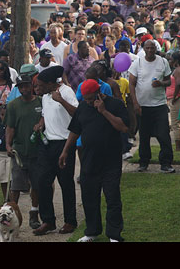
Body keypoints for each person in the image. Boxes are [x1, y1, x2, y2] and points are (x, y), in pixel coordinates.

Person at [59, 79, 129, 242]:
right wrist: (65, 151)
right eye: (86, 99)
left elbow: (124, 127)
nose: (89, 102)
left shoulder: (115, 105)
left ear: (99, 93)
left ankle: (114, 234)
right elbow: (75, 130)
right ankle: (92, 231)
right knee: (89, 197)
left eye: (91, 98)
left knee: (112, 197)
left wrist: (104, 111)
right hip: (89, 160)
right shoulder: (83, 107)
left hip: (110, 160)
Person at [32, 65, 79, 236]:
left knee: (65, 183)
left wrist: (61, 100)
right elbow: (46, 114)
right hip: (47, 143)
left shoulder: (66, 92)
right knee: (42, 181)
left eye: (41, 85)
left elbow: (76, 113)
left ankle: (70, 221)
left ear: (52, 83)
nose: (38, 88)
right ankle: (48, 220)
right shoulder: (44, 96)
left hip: (64, 143)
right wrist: (41, 124)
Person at [128, 39, 175, 173]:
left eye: (152, 48)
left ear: (156, 49)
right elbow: (131, 83)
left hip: (159, 105)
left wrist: (161, 83)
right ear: (144, 49)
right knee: (144, 135)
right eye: (147, 48)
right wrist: (135, 103)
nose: (149, 51)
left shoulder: (163, 62)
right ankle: (144, 162)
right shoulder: (138, 63)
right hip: (143, 105)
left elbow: (168, 81)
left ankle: (166, 163)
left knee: (163, 134)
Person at [4, 72, 43, 230]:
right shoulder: (13, 105)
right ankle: (13, 213)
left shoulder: (41, 102)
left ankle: (34, 214)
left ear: (32, 86)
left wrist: (41, 121)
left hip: (38, 150)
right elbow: (10, 127)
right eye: (21, 86)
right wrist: (8, 145)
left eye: (27, 85)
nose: (24, 89)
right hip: (19, 150)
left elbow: (48, 116)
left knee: (37, 184)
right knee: (16, 186)